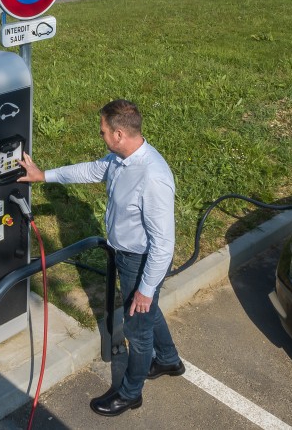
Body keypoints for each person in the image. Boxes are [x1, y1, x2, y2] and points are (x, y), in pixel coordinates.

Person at [18, 99, 184, 417]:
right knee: (144, 310)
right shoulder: (121, 159)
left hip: (141, 259)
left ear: (119, 134)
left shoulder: (152, 177)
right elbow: (93, 169)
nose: (101, 136)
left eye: (103, 132)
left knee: (137, 327)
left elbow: (164, 244)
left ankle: (130, 393)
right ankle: (168, 359)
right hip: (126, 255)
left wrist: (147, 288)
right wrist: (44, 175)